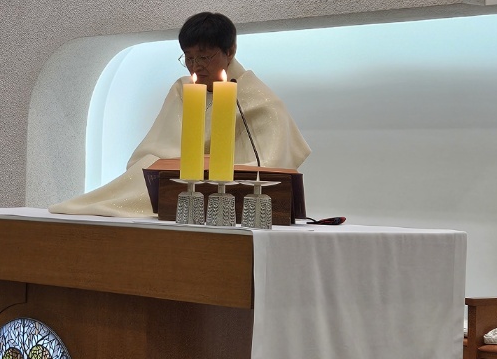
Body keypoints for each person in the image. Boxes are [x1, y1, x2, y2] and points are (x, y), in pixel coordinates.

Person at [52, 12, 310, 217]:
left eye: (204, 57)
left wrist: (211, 166)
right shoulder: (183, 90)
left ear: (230, 51)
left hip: (233, 192)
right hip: (179, 186)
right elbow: (154, 151)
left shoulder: (261, 101)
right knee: (145, 169)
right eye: (188, 57)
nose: (195, 67)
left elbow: (272, 165)